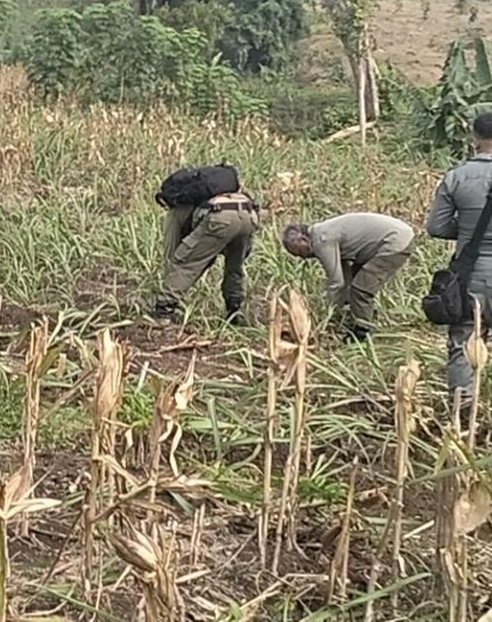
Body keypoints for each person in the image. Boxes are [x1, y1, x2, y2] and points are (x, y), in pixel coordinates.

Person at [426, 111, 492, 408]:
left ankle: (462, 412)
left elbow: (436, 227)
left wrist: (467, 230)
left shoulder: (456, 176)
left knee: (462, 341)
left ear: (475, 139)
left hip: (470, 276)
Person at [281, 213, 415, 339]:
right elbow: (345, 278)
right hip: (395, 236)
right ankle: (362, 319)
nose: (303, 258)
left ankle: (361, 331)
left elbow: (336, 283)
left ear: (304, 239)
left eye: (299, 252)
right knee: (356, 283)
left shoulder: (322, 241)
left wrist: (330, 314)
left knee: (361, 288)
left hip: (395, 242)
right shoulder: (324, 232)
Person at [152, 188, 259, 324]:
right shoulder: (214, 191)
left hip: (219, 216)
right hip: (249, 214)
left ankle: (163, 311)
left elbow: (173, 254)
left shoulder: (175, 212)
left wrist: (169, 281)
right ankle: (234, 311)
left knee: (184, 261)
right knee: (234, 266)